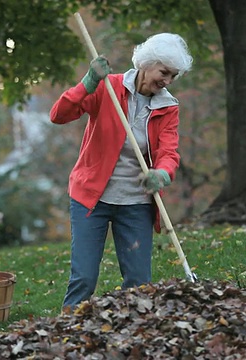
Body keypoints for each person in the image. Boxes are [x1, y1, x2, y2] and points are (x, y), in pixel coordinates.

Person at [50, 33, 193, 310]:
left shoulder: (168, 106)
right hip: (92, 198)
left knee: (139, 283)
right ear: (147, 64)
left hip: (136, 203)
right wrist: (88, 82)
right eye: (164, 72)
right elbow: (59, 114)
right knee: (84, 278)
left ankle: (133, 335)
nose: (167, 81)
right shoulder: (107, 87)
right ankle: (65, 334)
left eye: (173, 76)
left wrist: (162, 174)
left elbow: (169, 152)